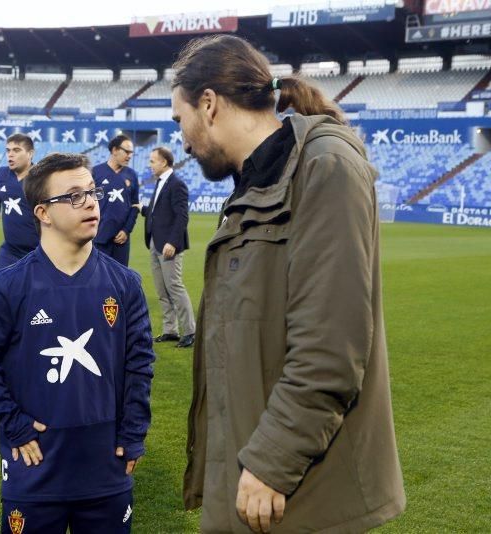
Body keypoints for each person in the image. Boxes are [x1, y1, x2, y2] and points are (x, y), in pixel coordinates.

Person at [172, 35, 405, 533]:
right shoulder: (256, 181)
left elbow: (330, 347)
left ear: (208, 104)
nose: (183, 140)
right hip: (253, 486)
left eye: (180, 120)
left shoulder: (323, 165)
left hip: (295, 497)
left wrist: (271, 462)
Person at [0, 153, 155, 533]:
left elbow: (140, 363)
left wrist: (133, 432)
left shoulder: (125, 284)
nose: (89, 202)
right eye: (72, 196)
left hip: (106, 470)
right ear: (43, 213)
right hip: (34, 470)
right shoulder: (9, 284)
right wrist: (13, 423)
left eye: (92, 192)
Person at [135, 146, 195, 349]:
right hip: (155, 241)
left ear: (164, 162)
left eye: (152, 161)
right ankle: (171, 330)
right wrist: (143, 209)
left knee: (175, 287)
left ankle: (190, 331)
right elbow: (159, 211)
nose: (150, 165)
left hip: (168, 244)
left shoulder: (177, 184)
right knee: (162, 290)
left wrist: (173, 242)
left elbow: (182, 216)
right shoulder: (161, 182)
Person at [0, 133, 39, 272]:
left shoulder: (42, 178)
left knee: (36, 292)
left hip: (39, 252)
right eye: (8, 150)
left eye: (16, 150)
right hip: (10, 250)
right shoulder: (1, 174)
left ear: (30, 153)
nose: (10, 155)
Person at [92, 135, 139, 266]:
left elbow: (135, 206)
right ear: (114, 150)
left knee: (120, 280)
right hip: (99, 237)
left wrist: (126, 230)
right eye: (127, 152)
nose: (129, 156)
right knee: (98, 278)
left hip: (121, 240)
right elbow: (88, 203)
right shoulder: (96, 172)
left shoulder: (131, 175)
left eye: (131, 153)